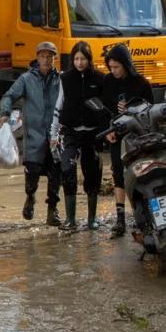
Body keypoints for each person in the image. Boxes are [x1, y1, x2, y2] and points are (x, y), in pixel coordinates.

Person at [0, 42, 63, 225]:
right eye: (43, 56)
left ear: (54, 59)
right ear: (37, 58)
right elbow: (9, 96)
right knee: (32, 172)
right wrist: (5, 113)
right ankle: (30, 197)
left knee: (55, 172)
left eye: (50, 56)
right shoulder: (26, 79)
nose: (47, 59)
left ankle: (53, 210)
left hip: (55, 136)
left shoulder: (60, 80)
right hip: (33, 135)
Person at [49, 41, 106, 231]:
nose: (79, 63)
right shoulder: (65, 78)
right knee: (67, 169)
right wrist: (53, 133)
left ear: (89, 60)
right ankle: (70, 219)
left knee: (92, 174)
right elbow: (59, 106)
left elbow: (106, 110)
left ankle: (92, 219)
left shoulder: (99, 79)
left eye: (83, 59)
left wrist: (106, 132)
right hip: (70, 132)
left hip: (92, 134)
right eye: (76, 59)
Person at [100, 43, 154, 237]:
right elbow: (104, 109)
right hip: (116, 133)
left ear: (126, 64)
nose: (113, 71)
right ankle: (120, 218)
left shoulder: (141, 83)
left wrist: (132, 107)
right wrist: (108, 131)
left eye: (117, 67)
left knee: (142, 172)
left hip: (139, 135)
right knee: (118, 173)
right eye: (111, 67)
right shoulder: (108, 82)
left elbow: (150, 110)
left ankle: (144, 214)